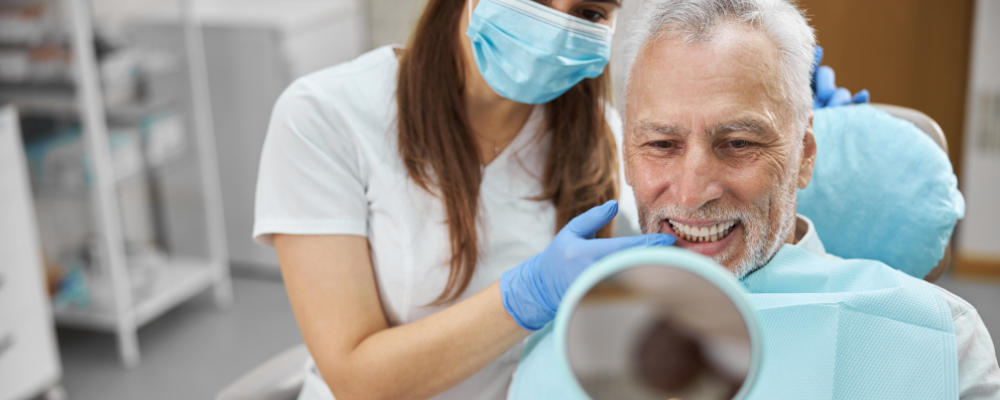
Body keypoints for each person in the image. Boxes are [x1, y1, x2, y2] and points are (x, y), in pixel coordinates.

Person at [253, 0, 865, 399]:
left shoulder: (603, 136)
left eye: (589, 11)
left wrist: (797, 141)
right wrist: (529, 296)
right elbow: (355, 376)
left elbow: (701, 242)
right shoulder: (326, 117)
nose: (557, 23)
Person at [621, 0, 998, 397]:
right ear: (627, 156)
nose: (691, 194)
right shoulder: (574, 317)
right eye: (662, 144)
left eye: (738, 143)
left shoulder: (940, 338)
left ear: (804, 154)